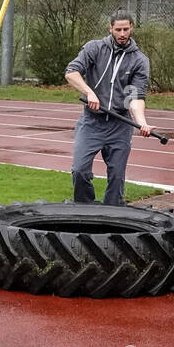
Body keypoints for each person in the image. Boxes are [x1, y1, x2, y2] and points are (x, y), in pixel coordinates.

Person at [64, 11, 153, 206]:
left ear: (131, 28)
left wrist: (142, 123)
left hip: (119, 125)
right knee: (80, 170)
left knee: (116, 177)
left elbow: (135, 97)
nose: (122, 34)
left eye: (126, 29)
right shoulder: (94, 48)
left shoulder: (139, 60)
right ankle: (84, 208)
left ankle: (113, 213)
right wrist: (89, 92)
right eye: (118, 29)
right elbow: (71, 73)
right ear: (110, 29)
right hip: (91, 122)